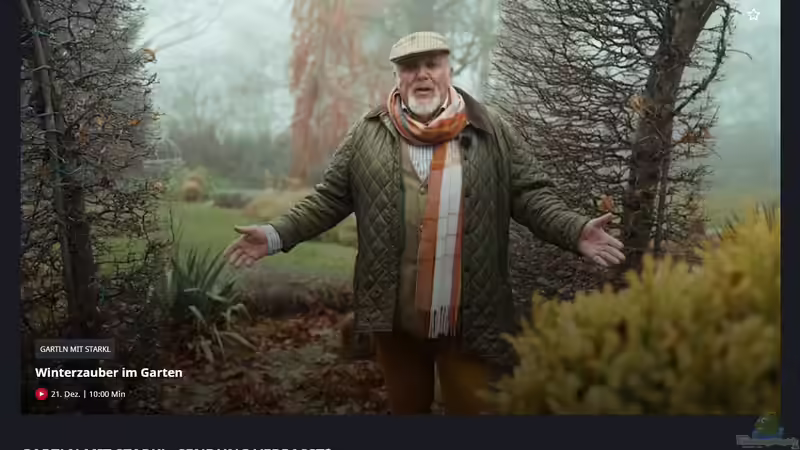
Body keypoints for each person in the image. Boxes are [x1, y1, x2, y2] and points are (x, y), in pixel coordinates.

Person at [224, 31, 625, 415]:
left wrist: (574, 229)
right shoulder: (367, 134)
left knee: (472, 418)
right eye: (410, 67)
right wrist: (274, 236)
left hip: (470, 318)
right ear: (397, 75)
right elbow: (328, 199)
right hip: (397, 319)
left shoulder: (491, 129)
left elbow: (531, 194)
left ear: (449, 69)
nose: (422, 75)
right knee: (407, 414)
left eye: (432, 64)